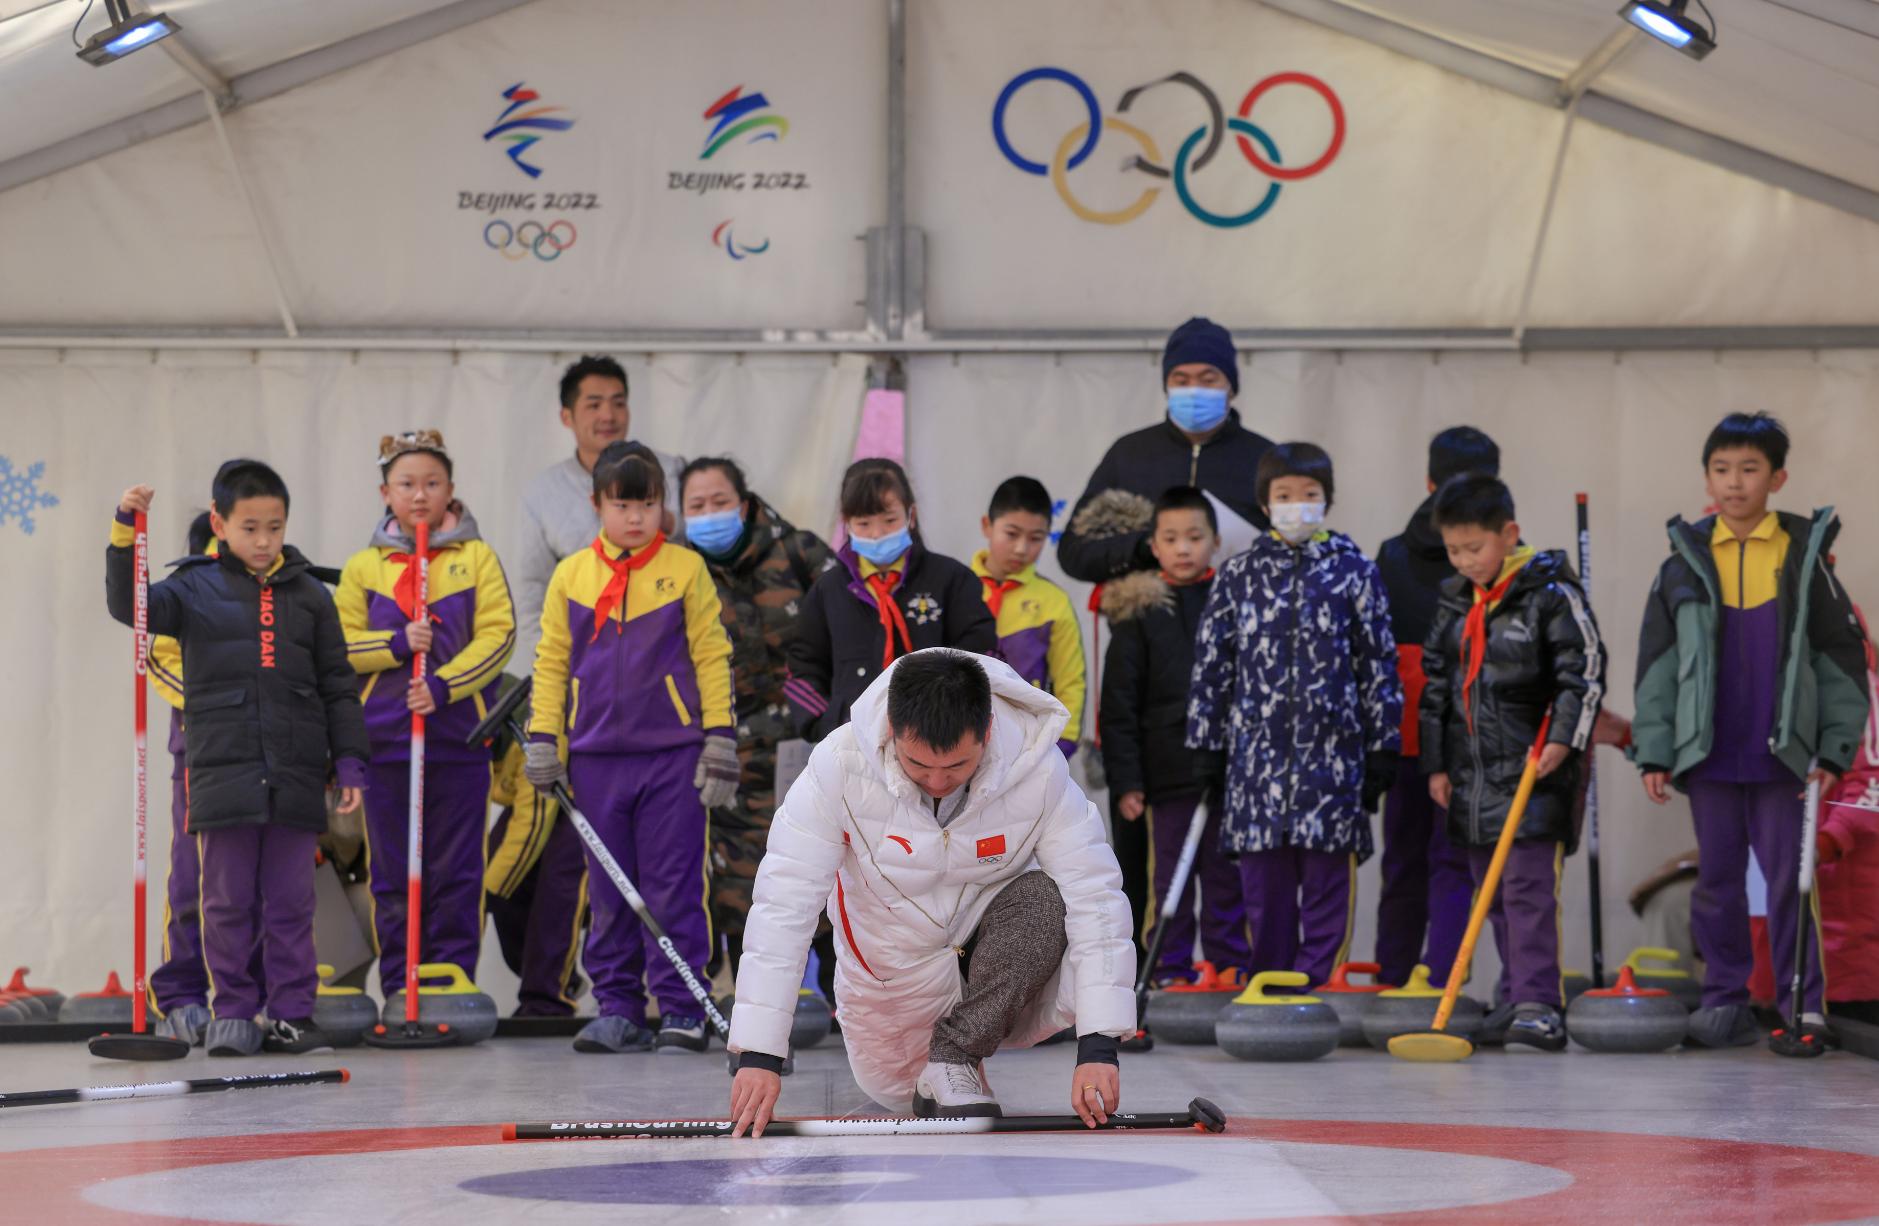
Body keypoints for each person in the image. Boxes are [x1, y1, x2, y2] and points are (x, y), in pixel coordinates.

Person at [726, 650, 1135, 1134]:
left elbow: (1096, 896)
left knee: (1048, 898)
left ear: (986, 732)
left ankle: (955, 1057)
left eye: (957, 765)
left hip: (992, 973)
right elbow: (784, 905)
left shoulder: (1038, 768)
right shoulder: (838, 767)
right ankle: (932, 1073)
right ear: (891, 731)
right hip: (892, 986)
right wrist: (759, 1054)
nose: (938, 783)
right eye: (918, 765)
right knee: (896, 1091)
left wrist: (1098, 1046)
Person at [107, 461, 370, 1056]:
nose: (263, 541)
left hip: (297, 774)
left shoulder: (310, 596)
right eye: (249, 527)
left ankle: (292, 1014)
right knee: (224, 902)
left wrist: (350, 762)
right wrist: (126, 529)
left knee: (291, 904)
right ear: (220, 525)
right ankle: (233, 1011)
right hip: (221, 773)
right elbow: (132, 608)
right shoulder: (193, 588)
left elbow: (338, 684)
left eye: (274, 528)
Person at [1633, 413, 1868, 1049]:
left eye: (1750, 469)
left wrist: (1834, 748)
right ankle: (1724, 999)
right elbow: (1655, 666)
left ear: (1777, 478)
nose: (1734, 483)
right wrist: (1654, 749)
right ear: (1707, 477)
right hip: (1709, 754)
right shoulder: (1682, 561)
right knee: (1716, 882)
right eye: (1721, 469)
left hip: (1784, 756)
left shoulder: (1804, 558)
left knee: (1792, 881)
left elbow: (1840, 659)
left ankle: (1803, 1005)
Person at [523, 441, 737, 1054]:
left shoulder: (686, 568)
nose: (636, 517)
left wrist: (719, 736)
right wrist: (544, 737)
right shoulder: (571, 575)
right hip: (593, 760)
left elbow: (711, 653)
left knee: (673, 886)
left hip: (673, 756)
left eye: (647, 503)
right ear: (597, 505)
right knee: (609, 889)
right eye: (623, 504)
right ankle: (617, 1006)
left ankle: (682, 1008)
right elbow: (551, 662)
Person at [504, 355, 684, 1016]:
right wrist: (547, 700)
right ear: (566, 416)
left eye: (616, 401)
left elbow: (693, 583)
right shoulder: (543, 493)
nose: (606, 414)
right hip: (583, 712)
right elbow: (530, 596)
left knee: (671, 872)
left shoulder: (670, 472)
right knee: (572, 862)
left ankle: (681, 1000)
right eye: (591, 404)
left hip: (664, 719)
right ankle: (560, 995)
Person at [1187, 443, 1400, 990]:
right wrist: (1206, 745)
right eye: (1284, 495)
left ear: (1327, 500)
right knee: (1263, 884)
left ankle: (1320, 987)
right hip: (1255, 768)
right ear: (1264, 502)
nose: (1297, 505)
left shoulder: (1356, 572)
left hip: (1334, 763)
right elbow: (1213, 666)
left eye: (1309, 495)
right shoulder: (1238, 576)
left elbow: (1378, 663)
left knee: (1329, 879)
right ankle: (1272, 985)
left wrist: (1383, 747)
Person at [1421, 474, 1605, 1051]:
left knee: (1528, 893)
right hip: (1473, 780)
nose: (1465, 560)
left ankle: (1539, 1003)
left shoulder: (1551, 592)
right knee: (1491, 896)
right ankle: (1512, 995)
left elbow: (1585, 671)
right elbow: (1436, 690)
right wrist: (1438, 765)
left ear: (1509, 534)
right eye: (1454, 550)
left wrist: (1565, 740)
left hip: (1535, 773)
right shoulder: (1456, 599)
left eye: (1474, 547)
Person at [337, 431, 515, 996]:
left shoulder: (477, 558)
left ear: (451, 491)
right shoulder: (365, 567)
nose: (420, 495)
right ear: (385, 491)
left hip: (459, 740)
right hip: (386, 743)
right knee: (392, 872)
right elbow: (337, 645)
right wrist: (393, 645)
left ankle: (451, 980)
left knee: (457, 869)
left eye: (432, 484)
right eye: (407, 484)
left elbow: (499, 635)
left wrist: (442, 686)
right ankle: (399, 984)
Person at [678, 456, 836, 974]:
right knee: (743, 896)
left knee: (831, 883)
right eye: (696, 506)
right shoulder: (679, 573)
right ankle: (760, 1012)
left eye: (719, 502)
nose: (709, 514)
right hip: (733, 761)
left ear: (744, 505)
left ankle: (844, 1000)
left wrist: (826, 707)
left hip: (814, 752)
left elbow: (854, 633)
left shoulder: (800, 551)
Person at [1098, 487, 1247, 985]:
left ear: (1216, 542)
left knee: (1228, 878)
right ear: (1154, 546)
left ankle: (1230, 966)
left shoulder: (1234, 602)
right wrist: (1128, 780)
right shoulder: (1136, 613)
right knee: (1170, 882)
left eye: (1195, 537)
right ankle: (1171, 969)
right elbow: (1117, 705)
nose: (1184, 548)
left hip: (1229, 772)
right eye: (1171, 538)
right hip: (1165, 774)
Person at [1372, 427, 1500, 989]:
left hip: (1472, 737)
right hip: (1409, 739)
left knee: (1451, 860)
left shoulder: (1500, 558)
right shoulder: (1393, 556)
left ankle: (1441, 981)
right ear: (1429, 485)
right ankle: (1397, 980)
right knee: (1408, 862)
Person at [784, 458, 995, 743]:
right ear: (846, 523)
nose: (877, 533)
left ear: (911, 515)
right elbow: (804, 665)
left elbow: (983, 655)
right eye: (863, 523)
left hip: (937, 742)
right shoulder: (828, 590)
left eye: (890, 520)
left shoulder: (951, 579)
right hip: (852, 743)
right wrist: (827, 724)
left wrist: (955, 716)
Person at [1057, 317, 1275, 583]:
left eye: (1208, 380)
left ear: (1231, 388)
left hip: (1238, 618)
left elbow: (1294, 553)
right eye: (1181, 381)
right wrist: (1148, 546)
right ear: (1166, 387)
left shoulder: (1264, 458)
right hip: (1146, 620)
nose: (1194, 391)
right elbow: (1074, 553)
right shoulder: (1129, 454)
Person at [972, 476, 1086, 758]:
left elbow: (1070, 681)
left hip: (1028, 742)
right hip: (961, 737)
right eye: (1011, 534)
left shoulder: (1053, 602)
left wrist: (1063, 743)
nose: (1022, 549)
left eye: (1036, 539)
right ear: (987, 525)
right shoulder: (957, 587)